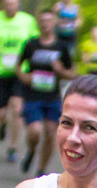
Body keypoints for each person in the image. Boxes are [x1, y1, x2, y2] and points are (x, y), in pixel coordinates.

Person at [0, 0, 38, 164]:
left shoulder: (28, 21)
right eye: (7, 4)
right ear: (2, 4)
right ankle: (2, 123)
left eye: (13, 4)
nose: (10, 7)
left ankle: (12, 147)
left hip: (20, 70)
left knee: (17, 108)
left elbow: (35, 42)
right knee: (1, 113)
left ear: (18, 4)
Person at [15, 9, 75, 176]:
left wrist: (61, 70)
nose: (46, 24)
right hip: (32, 95)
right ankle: (31, 151)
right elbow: (18, 65)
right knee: (35, 131)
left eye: (49, 21)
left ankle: (41, 170)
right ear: (39, 24)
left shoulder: (61, 46)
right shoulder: (31, 44)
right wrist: (24, 77)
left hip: (52, 97)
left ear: (54, 23)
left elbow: (71, 73)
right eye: (42, 21)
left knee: (50, 134)